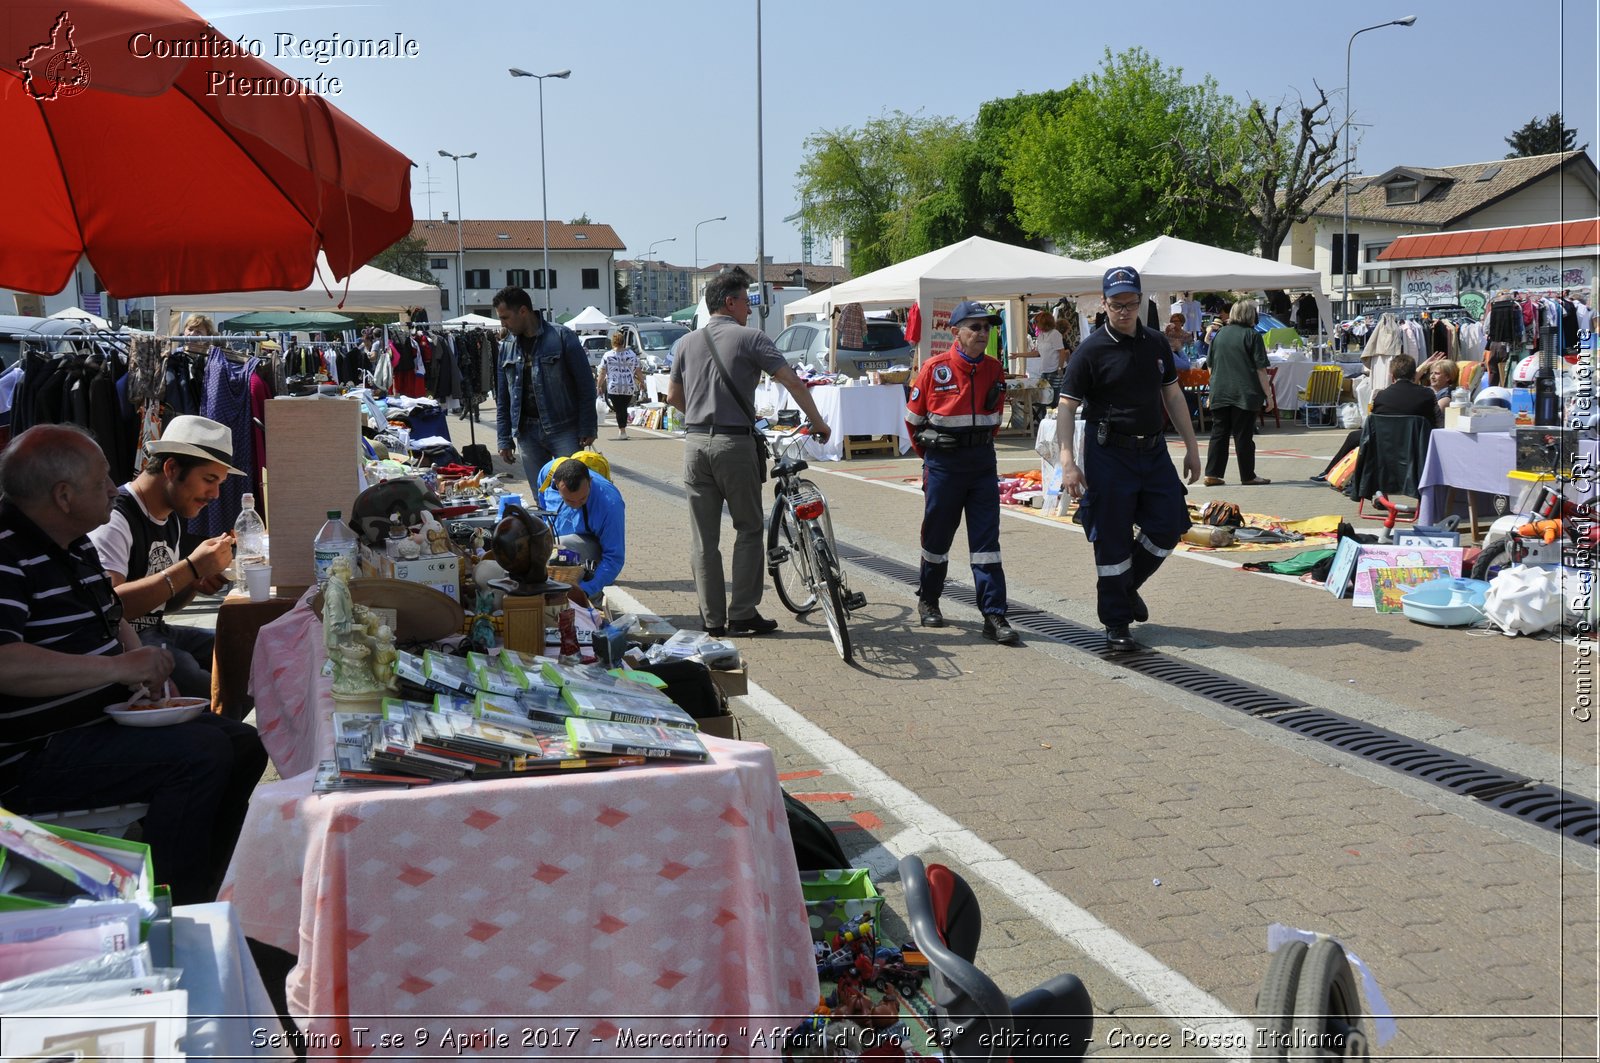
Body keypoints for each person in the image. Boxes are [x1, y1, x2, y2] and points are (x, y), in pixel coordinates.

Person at [0, 425, 266, 905]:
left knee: (244, 743)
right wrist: (119, 671)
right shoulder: (7, 552)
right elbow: (6, 664)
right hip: (34, 754)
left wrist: (142, 671)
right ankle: (176, 900)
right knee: (200, 752)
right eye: (102, 479)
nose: (112, 487)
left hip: (96, 719)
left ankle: (214, 875)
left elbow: (112, 614)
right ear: (63, 495)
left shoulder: (72, 542)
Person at [666, 268, 832, 638]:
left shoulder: (687, 343)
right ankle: (742, 614)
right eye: (747, 301)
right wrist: (818, 421)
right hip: (734, 445)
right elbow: (791, 380)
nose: (750, 309)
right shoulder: (751, 338)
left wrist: (700, 414)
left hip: (694, 445)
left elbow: (674, 397)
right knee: (748, 528)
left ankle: (712, 620)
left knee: (703, 539)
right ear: (730, 301)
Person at [1057, 267, 1201, 652]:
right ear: (1103, 304)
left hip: (1152, 452)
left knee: (1170, 524)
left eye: (1131, 304)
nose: (1124, 311)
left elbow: (1172, 397)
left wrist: (1192, 446)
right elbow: (1067, 407)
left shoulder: (1156, 344)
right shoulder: (1090, 351)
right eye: (1117, 304)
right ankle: (1116, 623)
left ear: (1141, 302)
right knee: (1112, 539)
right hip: (1109, 455)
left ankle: (1127, 587)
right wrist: (1068, 460)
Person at [88, 416, 241, 700]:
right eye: (209, 480)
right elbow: (111, 606)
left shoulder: (171, 515)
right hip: (121, 646)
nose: (215, 494)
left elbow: (162, 605)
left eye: (219, 483)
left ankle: (228, 731)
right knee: (191, 674)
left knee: (245, 650)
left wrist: (194, 582)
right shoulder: (116, 518)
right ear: (171, 468)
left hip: (158, 631)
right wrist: (191, 567)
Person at [903, 300, 1018, 645]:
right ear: (956, 332)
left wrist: (976, 445)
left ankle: (994, 614)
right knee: (937, 538)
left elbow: (995, 420)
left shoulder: (995, 369)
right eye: (975, 327)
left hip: (982, 463)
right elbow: (913, 422)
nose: (983, 333)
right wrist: (934, 455)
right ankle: (929, 599)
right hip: (944, 467)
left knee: (987, 543)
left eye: (987, 327)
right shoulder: (934, 369)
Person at [493, 286, 597, 486]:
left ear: (523, 311)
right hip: (526, 433)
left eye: (505, 317)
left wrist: (588, 426)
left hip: (564, 428)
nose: (502, 324)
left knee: (572, 492)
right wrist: (504, 438)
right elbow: (503, 398)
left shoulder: (562, 337)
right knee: (541, 496)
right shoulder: (506, 346)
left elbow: (586, 386)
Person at [1311, 353, 1437, 481]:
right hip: (1416, 444)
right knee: (1356, 436)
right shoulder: (1427, 394)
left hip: (1385, 444)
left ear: (1392, 376)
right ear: (1413, 375)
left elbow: (1374, 423)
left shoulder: (1382, 396)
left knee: (1355, 436)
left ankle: (1332, 473)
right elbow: (1435, 421)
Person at [1201, 300, 1275, 487]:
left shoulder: (1220, 334)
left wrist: (1216, 383)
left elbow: (1210, 364)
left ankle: (1212, 474)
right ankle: (1248, 475)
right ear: (1250, 315)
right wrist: (1269, 396)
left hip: (1220, 391)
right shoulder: (1252, 335)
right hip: (1245, 392)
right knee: (1243, 436)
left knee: (1219, 434)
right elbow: (1260, 369)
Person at [537, 456, 625, 608]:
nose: (576, 505)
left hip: (591, 548)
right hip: (564, 541)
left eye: (583, 499)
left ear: (590, 482)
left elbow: (614, 558)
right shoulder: (547, 473)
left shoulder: (610, 504)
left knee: (563, 547)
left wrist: (585, 591)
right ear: (556, 485)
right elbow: (543, 505)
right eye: (569, 501)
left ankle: (592, 602)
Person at [597, 330, 641, 440]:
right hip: (628, 386)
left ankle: (622, 431)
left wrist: (598, 385)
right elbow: (638, 371)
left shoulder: (607, 355)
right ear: (623, 342)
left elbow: (602, 372)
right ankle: (622, 430)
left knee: (618, 409)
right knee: (623, 408)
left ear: (613, 342)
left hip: (614, 386)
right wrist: (642, 382)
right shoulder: (631, 354)